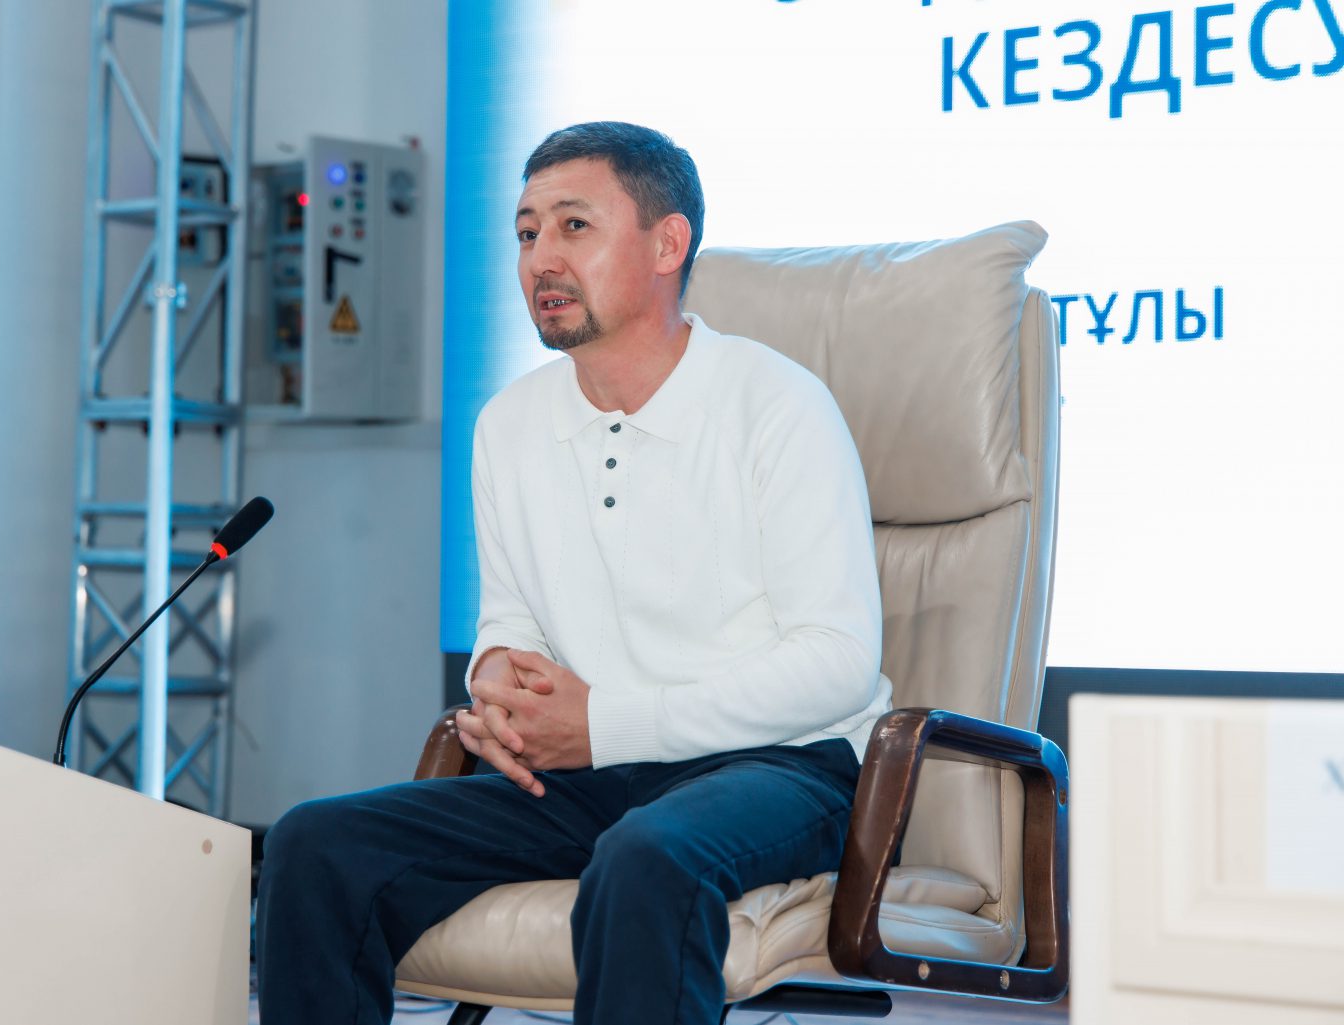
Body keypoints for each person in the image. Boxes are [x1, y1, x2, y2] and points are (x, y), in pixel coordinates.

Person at [256, 121, 892, 1025]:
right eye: (526, 233)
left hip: (787, 766)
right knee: (316, 844)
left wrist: (600, 722)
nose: (540, 259)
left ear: (667, 244)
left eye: (573, 226)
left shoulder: (778, 405)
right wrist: (497, 679)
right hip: (596, 772)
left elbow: (839, 663)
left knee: (649, 855)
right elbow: (511, 617)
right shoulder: (508, 424)